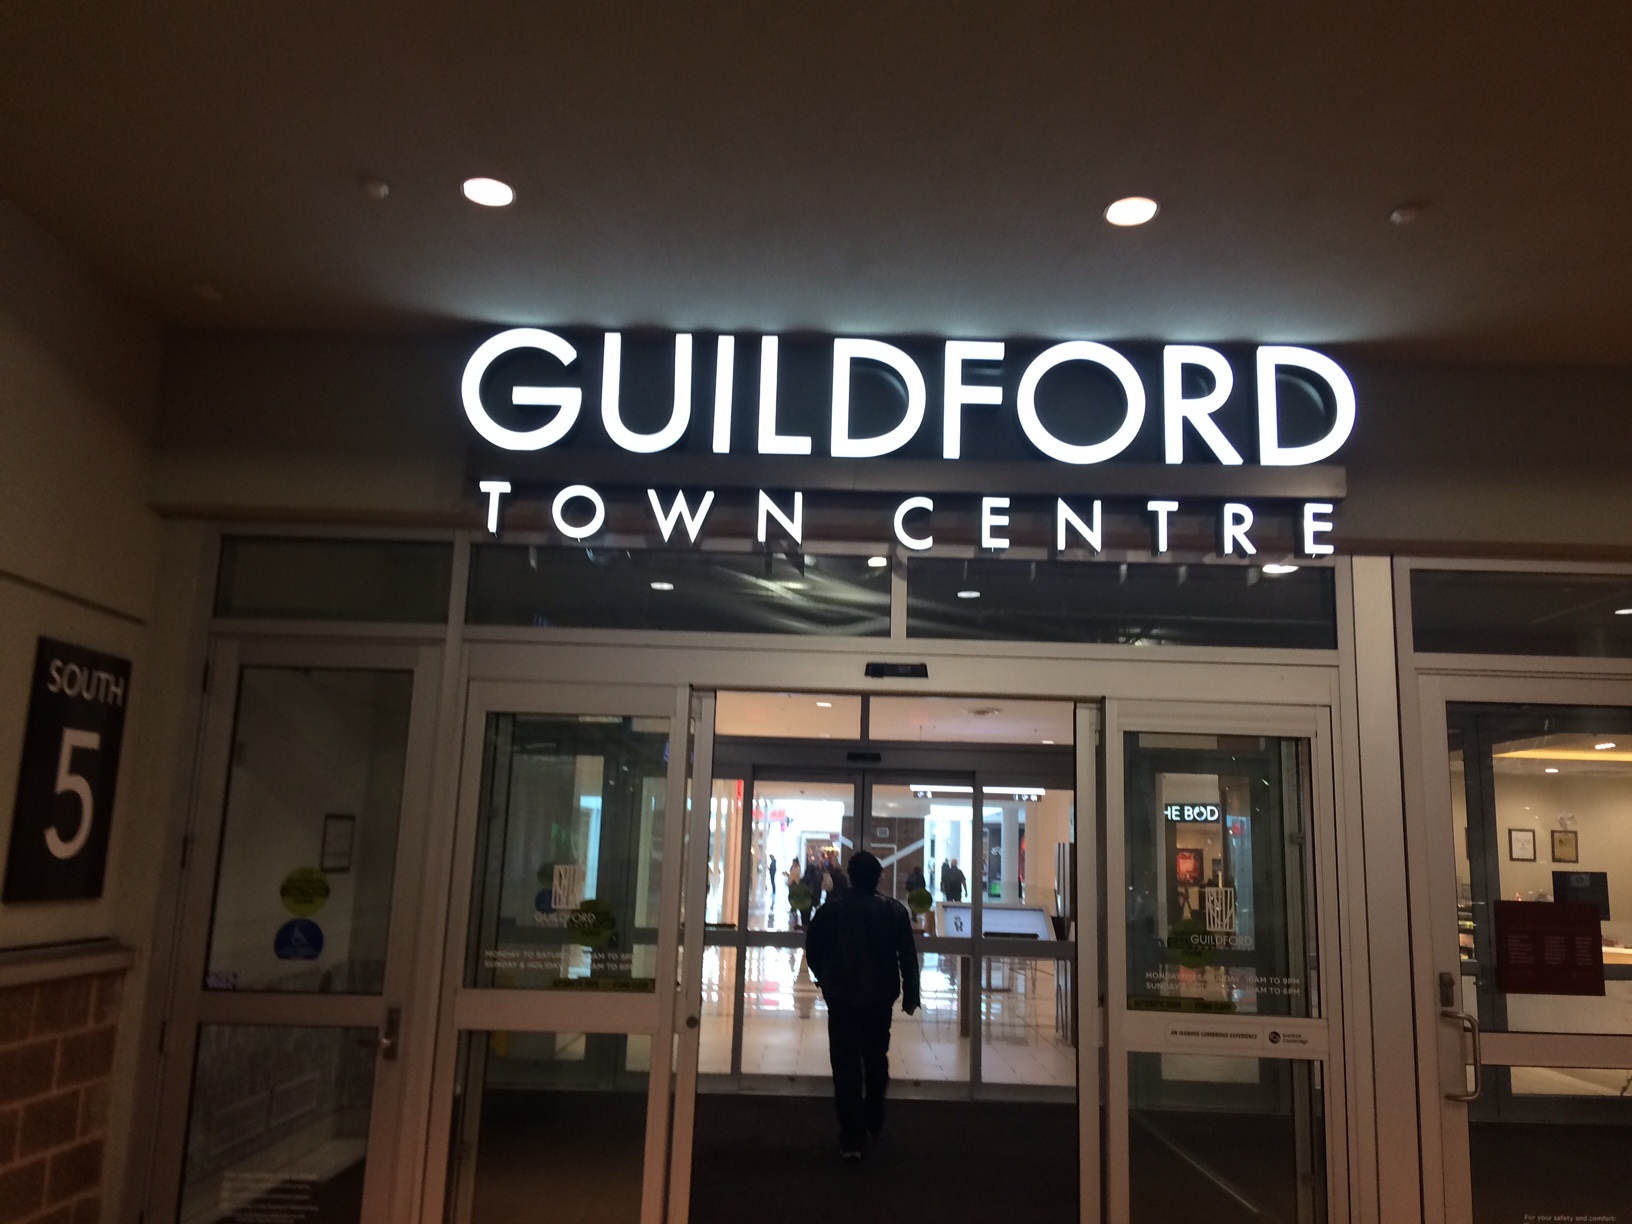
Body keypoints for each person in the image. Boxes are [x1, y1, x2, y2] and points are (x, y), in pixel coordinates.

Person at [804, 851, 920, 1160]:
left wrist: (823, 979)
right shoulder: (894, 911)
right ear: (878, 877)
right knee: (876, 1057)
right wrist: (911, 993)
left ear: (850, 876)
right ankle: (874, 1116)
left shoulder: (832, 910)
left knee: (845, 1064)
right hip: (879, 998)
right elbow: (907, 957)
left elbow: (813, 947)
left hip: (841, 997)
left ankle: (851, 1138)